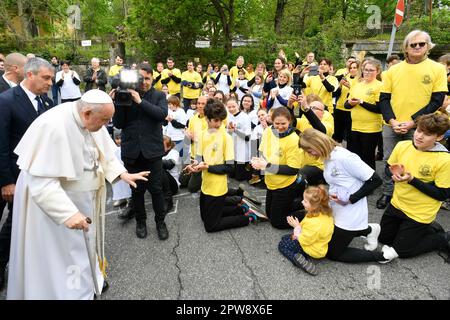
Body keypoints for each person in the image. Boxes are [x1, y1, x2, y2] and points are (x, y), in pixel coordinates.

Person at [7, 89, 149, 300]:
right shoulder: (54, 126)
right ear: (87, 113)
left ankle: (88, 282)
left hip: (84, 199)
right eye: (104, 120)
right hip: (57, 206)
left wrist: (122, 174)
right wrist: (67, 214)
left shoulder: (93, 120)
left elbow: (103, 154)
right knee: (63, 253)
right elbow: (41, 181)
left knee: (84, 246)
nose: (105, 125)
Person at [376, 30, 448, 210]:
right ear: (406, 48)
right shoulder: (392, 70)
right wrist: (392, 121)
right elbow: (384, 98)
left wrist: (413, 122)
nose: (417, 47)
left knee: (416, 162)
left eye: (421, 44)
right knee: (389, 161)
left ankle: (412, 197)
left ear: (428, 47)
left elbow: (437, 100)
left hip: (421, 127)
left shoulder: (437, 69)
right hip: (391, 124)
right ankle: (387, 192)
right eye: (412, 44)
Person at [0, 57, 55, 291]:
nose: (50, 83)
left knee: (24, 225)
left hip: (38, 175)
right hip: (13, 176)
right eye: (46, 78)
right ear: (29, 75)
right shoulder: (6, 101)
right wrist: (6, 182)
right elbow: (1, 144)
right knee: (12, 225)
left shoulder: (46, 102)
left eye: (51, 78)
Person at [298, 129, 393, 263]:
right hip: (337, 206)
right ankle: (369, 230)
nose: (310, 154)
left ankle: (383, 256)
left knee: (334, 253)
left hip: (351, 210)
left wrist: (351, 199)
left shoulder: (344, 157)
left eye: (309, 150)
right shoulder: (327, 156)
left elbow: (375, 180)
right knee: (326, 239)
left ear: (318, 144)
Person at [378, 113, 450, 260]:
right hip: (397, 204)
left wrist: (412, 180)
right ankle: (426, 229)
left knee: (402, 252)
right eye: (418, 130)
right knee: (384, 239)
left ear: (439, 137)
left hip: (419, 213)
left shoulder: (445, 159)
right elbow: (388, 167)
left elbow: (442, 195)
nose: (419, 136)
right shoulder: (402, 145)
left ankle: (442, 237)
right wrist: (393, 173)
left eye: (427, 134)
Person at [111, 63, 169, 240]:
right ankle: (140, 222)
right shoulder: (125, 94)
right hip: (132, 151)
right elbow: (119, 123)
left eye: (147, 78)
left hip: (152, 152)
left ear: (152, 78)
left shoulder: (158, 95)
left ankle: (160, 222)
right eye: (140, 78)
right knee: (136, 191)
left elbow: (161, 115)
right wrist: (119, 102)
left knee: (156, 190)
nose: (143, 82)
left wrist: (140, 101)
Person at [185, 99, 256, 232]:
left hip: (217, 187)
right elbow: (199, 159)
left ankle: (248, 217)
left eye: (221, 120)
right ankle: (240, 207)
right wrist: (194, 166)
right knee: (204, 217)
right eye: (216, 120)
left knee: (211, 226)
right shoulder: (201, 135)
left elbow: (230, 167)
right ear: (207, 119)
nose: (219, 123)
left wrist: (208, 168)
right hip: (205, 185)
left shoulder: (226, 138)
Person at [251, 107, 303, 229]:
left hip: (285, 185)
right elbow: (261, 151)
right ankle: (297, 204)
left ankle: (308, 213)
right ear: (272, 122)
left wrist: (267, 166)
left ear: (290, 121)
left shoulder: (294, 139)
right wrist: (257, 162)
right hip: (271, 182)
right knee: (269, 215)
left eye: (283, 123)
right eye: (277, 123)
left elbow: (293, 170)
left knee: (277, 222)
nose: (279, 127)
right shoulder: (269, 130)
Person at [278, 185, 334, 275]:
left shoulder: (315, 224)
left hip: (312, 248)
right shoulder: (323, 213)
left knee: (282, 245)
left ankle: (299, 259)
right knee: (286, 238)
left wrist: (296, 227)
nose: (302, 202)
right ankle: (296, 249)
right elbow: (307, 228)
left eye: (305, 201)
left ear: (315, 206)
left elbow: (304, 240)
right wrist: (298, 226)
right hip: (316, 242)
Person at [344, 58, 383, 170]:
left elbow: (379, 108)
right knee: (355, 157)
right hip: (355, 126)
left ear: (377, 71)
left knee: (368, 157)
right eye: (365, 70)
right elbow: (346, 105)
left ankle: (371, 181)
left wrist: (361, 102)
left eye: (371, 70)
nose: (367, 72)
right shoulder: (357, 85)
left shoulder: (380, 86)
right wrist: (351, 103)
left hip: (371, 129)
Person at [226, 97, 252, 182]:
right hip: (232, 151)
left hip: (242, 153)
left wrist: (235, 130)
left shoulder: (245, 117)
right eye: (229, 107)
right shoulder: (229, 117)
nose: (231, 109)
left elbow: (247, 137)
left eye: (233, 106)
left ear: (238, 105)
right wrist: (230, 131)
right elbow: (228, 134)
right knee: (231, 176)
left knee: (240, 178)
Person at [162, 135, 181, 213]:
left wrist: (153, 160)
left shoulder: (174, 152)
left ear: (169, 147)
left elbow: (169, 165)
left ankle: (168, 200)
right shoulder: (157, 153)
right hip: (161, 185)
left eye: (162, 146)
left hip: (172, 185)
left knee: (158, 168)